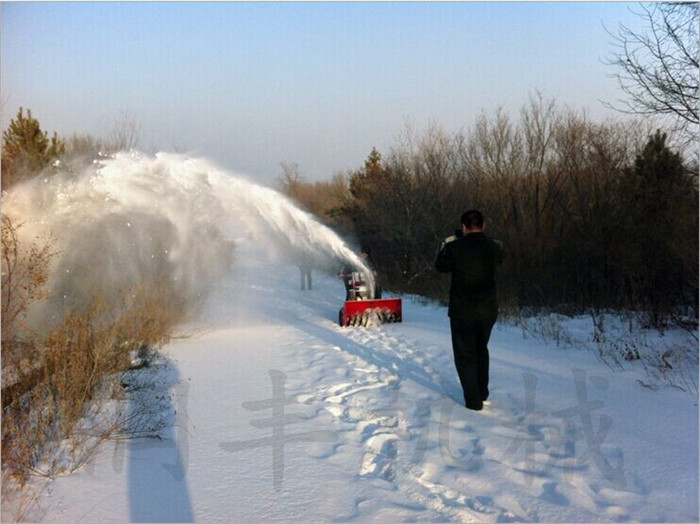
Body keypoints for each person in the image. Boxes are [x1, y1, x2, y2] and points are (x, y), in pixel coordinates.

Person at [435, 210, 504, 411]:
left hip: (462, 311)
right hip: (487, 310)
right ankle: (482, 391)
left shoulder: (455, 247)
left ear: (463, 227)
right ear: (483, 226)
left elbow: (440, 266)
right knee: (481, 349)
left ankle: (474, 401)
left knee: (465, 355)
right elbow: (500, 256)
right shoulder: (494, 247)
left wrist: (446, 244)